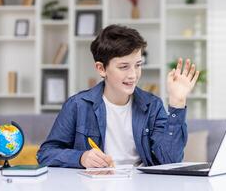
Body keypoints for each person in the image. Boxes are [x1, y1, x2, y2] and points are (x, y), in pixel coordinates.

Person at [37, 24, 199, 168]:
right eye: (123, 67)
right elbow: (45, 154)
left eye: (138, 65)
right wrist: (81, 157)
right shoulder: (78, 105)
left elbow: (170, 161)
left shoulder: (152, 105)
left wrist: (177, 102)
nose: (133, 75)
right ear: (101, 69)